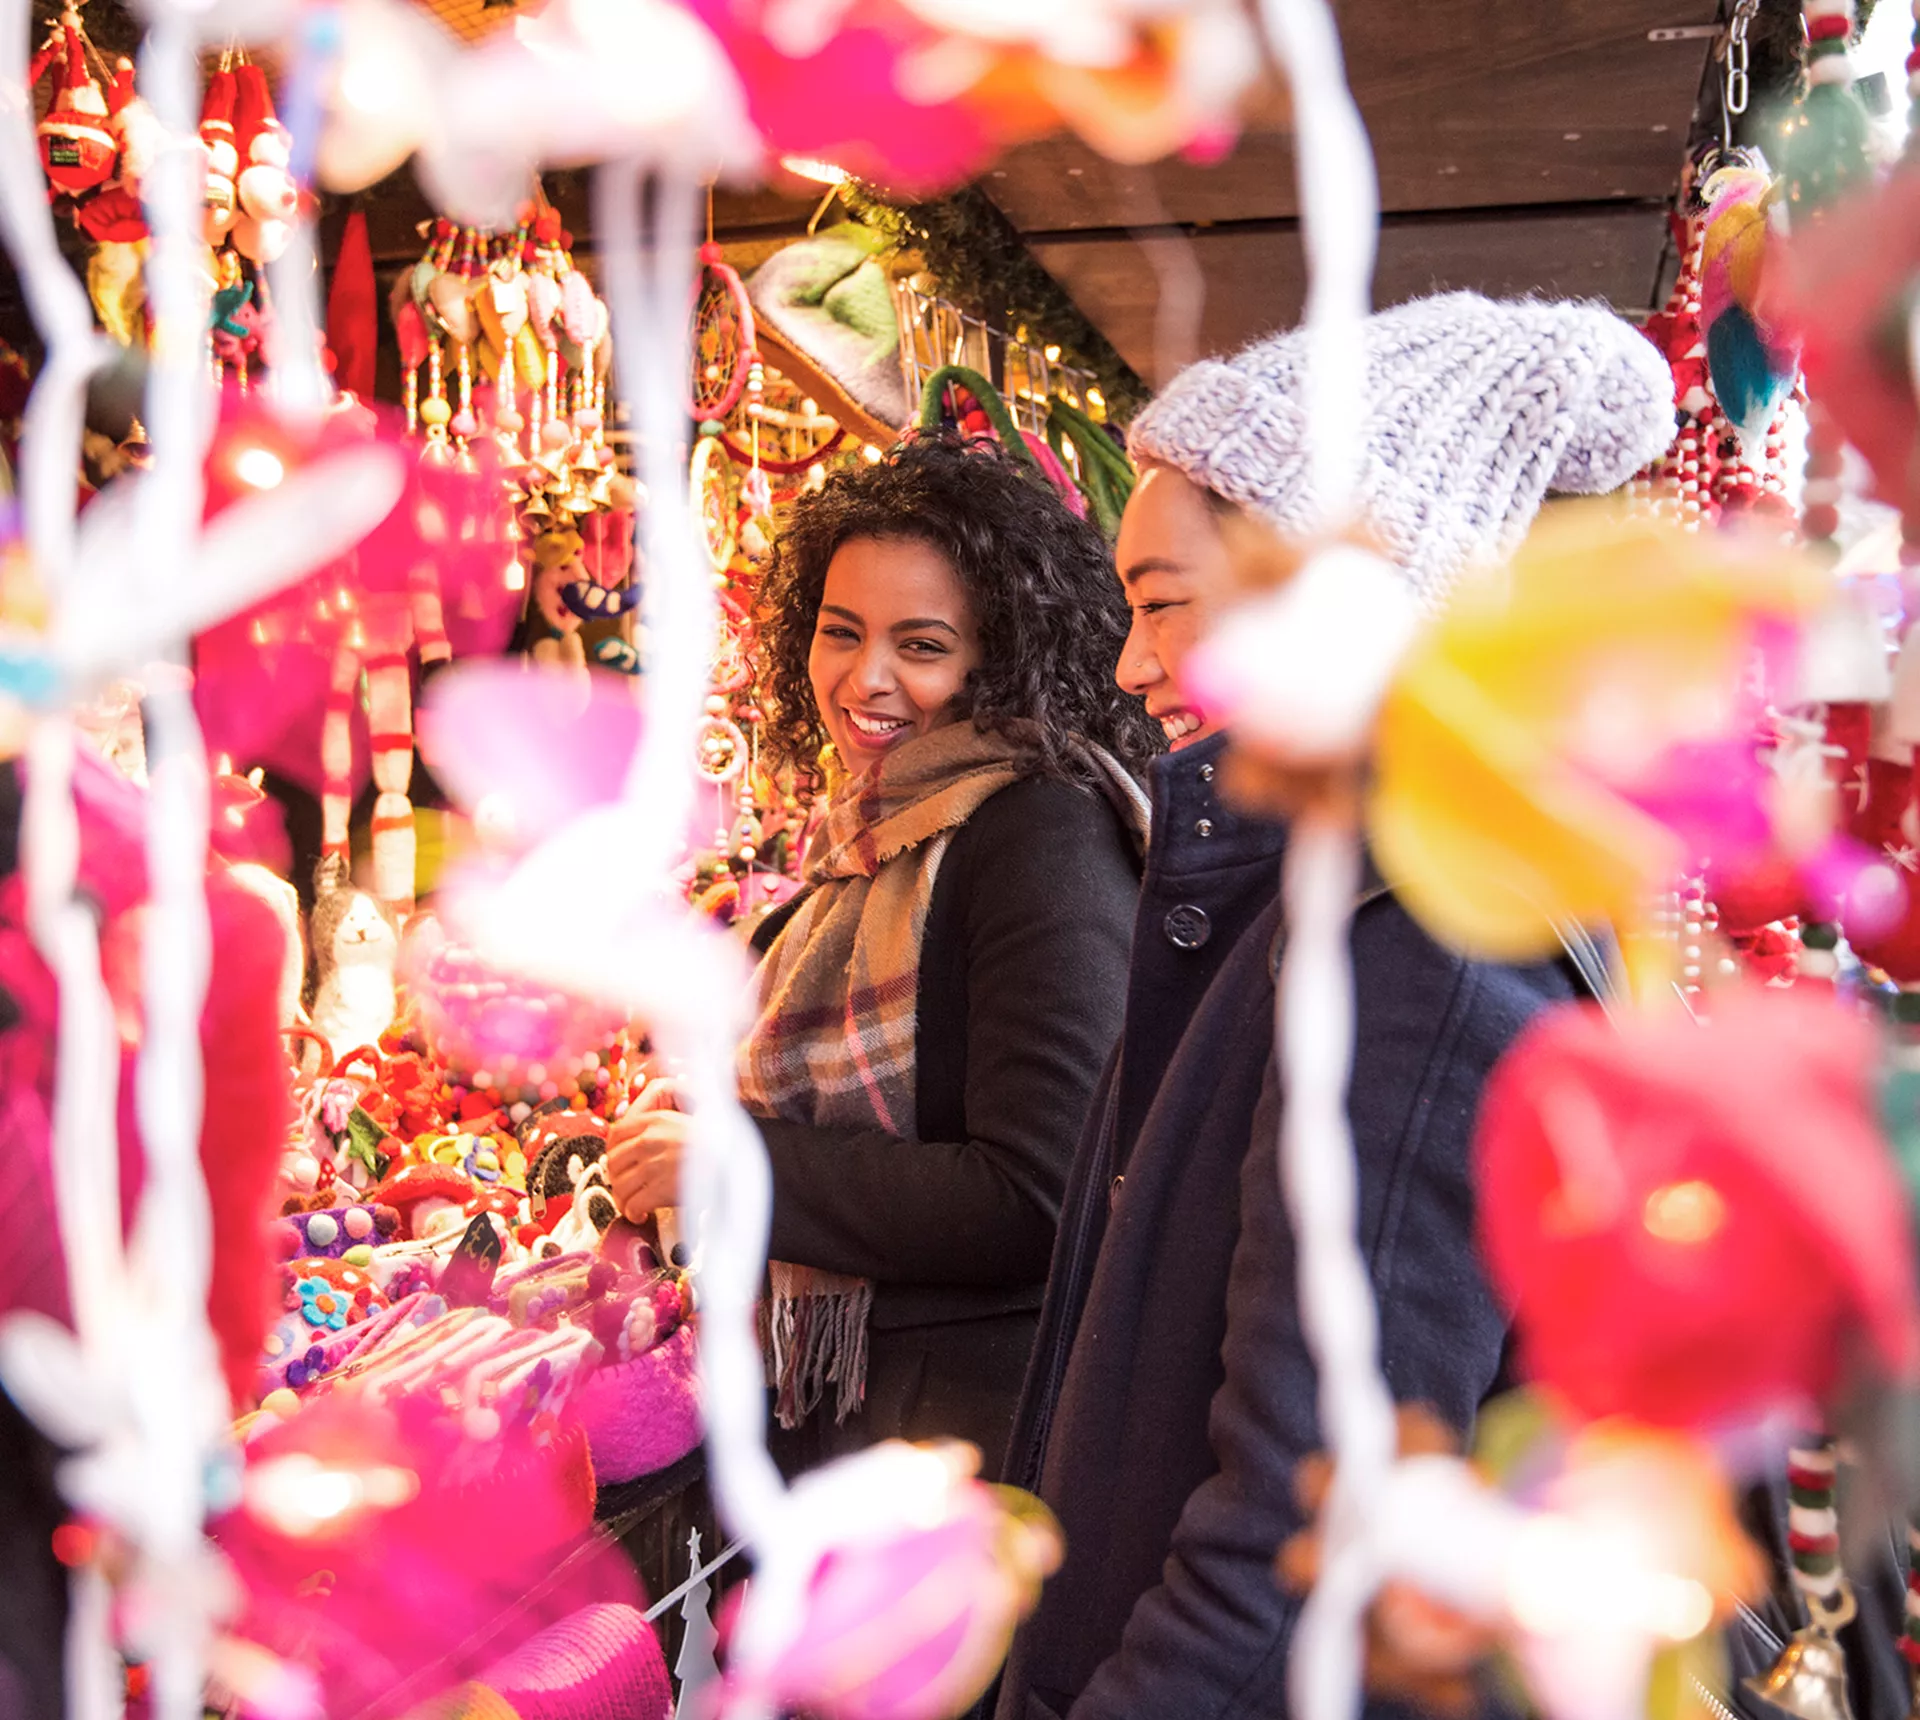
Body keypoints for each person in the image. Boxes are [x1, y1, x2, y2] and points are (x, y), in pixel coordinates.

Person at [992, 292, 1678, 1720]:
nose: (1128, 666)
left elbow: (1305, 1541)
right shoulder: (1324, 909)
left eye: (1164, 602)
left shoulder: (1421, 948)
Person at [607, 432, 1157, 1479]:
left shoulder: (1038, 830)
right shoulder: (876, 835)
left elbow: (1041, 1197)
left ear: (999, 656)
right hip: (887, 1422)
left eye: (922, 644)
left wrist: (739, 1161)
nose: (867, 678)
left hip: (978, 1445)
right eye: (840, 631)